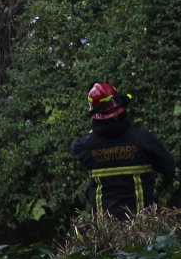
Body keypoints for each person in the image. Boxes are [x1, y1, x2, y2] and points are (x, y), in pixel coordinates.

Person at [72, 82, 176, 219]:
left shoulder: (85, 146)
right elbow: (169, 168)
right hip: (141, 228)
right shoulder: (143, 139)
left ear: (94, 115)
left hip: (104, 233)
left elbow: (75, 147)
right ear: (122, 110)